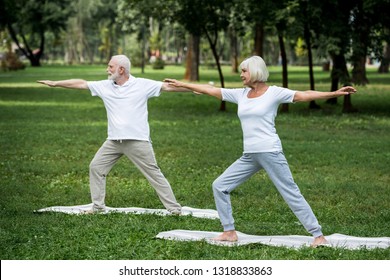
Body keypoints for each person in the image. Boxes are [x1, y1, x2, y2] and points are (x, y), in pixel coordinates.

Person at [164, 56, 357, 247]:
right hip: (250, 155)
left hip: (270, 151)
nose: (241, 75)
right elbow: (211, 90)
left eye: (244, 71)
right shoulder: (240, 95)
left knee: (290, 192)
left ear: (255, 71)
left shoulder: (274, 93)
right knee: (220, 185)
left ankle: (318, 235)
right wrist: (185, 84)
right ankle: (229, 232)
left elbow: (305, 94)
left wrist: (335, 94)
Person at [38, 54, 189, 215]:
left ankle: (174, 209)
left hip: (137, 141)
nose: (107, 70)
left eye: (110, 67)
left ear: (121, 69)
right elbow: (81, 83)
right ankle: (98, 207)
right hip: (113, 141)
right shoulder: (105, 86)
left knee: (154, 174)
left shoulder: (142, 85)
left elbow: (168, 87)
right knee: (96, 167)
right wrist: (56, 83)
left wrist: (195, 89)